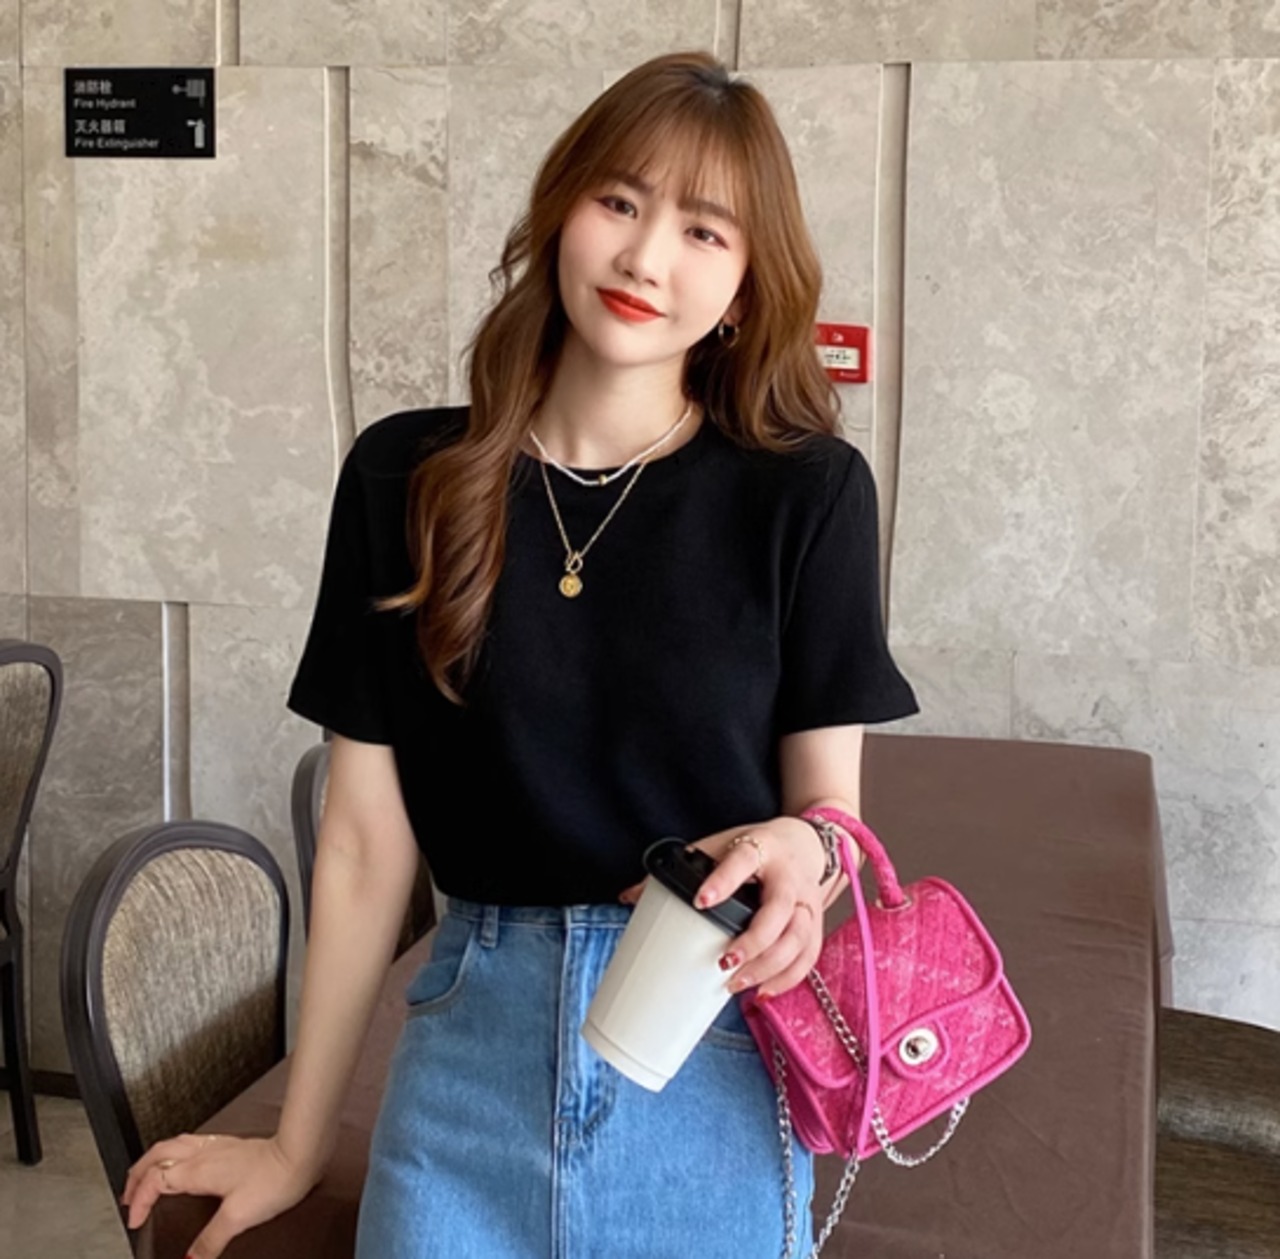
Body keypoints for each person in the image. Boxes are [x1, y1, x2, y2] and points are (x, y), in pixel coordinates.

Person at [120, 49, 918, 1259]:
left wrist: (803, 853)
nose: (645, 257)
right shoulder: (405, 476)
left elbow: (831, 818)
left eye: (703, 231)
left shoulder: (803, 493)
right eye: (619, 202)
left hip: (704, 1044)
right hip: (464, 1048)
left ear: (745, 285)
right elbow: (362, 842)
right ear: (558, 212)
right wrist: (297, 1140)